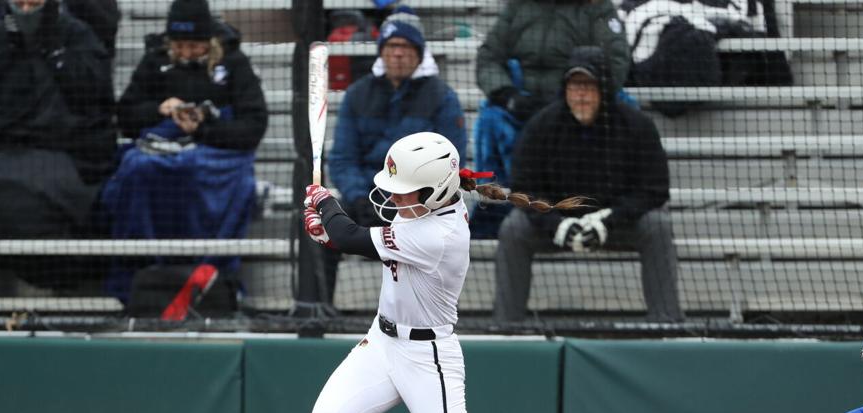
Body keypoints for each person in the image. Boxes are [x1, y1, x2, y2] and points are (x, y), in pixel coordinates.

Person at [273, 131, 603, 413]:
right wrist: (329, 230)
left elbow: (352, 235)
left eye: (403, 190)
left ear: (436, 192)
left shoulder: (441, 233)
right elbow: (354, 238)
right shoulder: (419, 212)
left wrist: (326, 209)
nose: (392, 197)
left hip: (428, 357)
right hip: (381, 341)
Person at [0, 0, 115, 296]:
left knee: (43, 184)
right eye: (20, 2)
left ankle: (41, 276)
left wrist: (55, 55)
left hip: (61, 144)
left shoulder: (76, 33)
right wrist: (7, 47)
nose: (27, 9)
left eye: (34, 3)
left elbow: (95, 88)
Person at [493, 45, 683, 324]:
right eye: (574, 86)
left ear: (604, 89)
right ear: (565, 89)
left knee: (657, 225)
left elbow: (655, 190)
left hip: (618, 223)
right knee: (514, 229)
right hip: (557, 225)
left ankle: (667, 324)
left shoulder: (637, 126)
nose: (580, 94)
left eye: (588, 85)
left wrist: (609, 219)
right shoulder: (541, 126)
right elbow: (523, 188)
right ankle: (506, 326)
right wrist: (556, 223)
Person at [302, 9, 465, 312]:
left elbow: (452, 162)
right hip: (365, 197)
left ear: (419, 53)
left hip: (420, 205)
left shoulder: (443, 97)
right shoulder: (357, 94)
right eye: (392, 46)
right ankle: (317, 308)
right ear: (382, 51)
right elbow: (342, 159)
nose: (399, 54)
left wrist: (410, 199)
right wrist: (357, 196)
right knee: (319, 223)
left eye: (406, 47)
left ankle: (425, 311)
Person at [103, 0, 267, 293]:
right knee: (136, 167)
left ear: (210, 41)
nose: (186, 53)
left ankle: (212, 277)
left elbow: (252, 127)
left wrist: (203, 127)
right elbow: (126, 117)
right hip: (160, 148)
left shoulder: (234, 62)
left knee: (224, 178)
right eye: (179, 46)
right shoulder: (154, 59)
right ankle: (142, 272)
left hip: (215, 151)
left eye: (195, 46)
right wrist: (159, 109)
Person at [471, 0, 630, 237]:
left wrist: (569, 99)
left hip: (576, 107)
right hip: (523, 107)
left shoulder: (598, 7)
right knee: (491, 118)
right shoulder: (518, 6)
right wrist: (508, 95)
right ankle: (495, 211)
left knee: (627, 107)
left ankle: (609, 209)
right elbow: (488, 57)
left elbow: (616, 63)